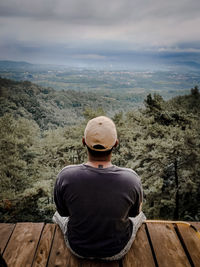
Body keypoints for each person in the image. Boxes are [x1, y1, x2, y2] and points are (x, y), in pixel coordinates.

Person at [53, 116, 146, 260]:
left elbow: (63, 212)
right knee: (141, 215)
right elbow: (133, 214)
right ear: (116, 143)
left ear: (83, 142)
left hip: (78, 248)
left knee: (56, 215)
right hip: (117, 250)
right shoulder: (131, 178)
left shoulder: (65, 176)